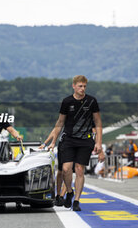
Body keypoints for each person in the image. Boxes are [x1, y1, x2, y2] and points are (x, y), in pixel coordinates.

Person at [41, 75, 105, 211]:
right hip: (68, 139)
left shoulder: (91, 101)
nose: (82, 89)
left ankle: (76, 201)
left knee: (80, 169)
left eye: (84, 86)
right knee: (65, 169)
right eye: (80, 86)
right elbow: (60, 123)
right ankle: (69, 191)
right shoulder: (67, 101)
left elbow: (98, 122)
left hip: (85, 140)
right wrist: (53, 142)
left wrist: (99, 143)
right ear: (74, 86)